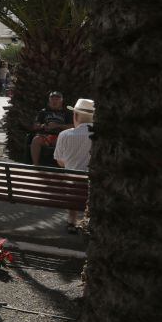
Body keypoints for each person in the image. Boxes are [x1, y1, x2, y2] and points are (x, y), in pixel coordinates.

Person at [54, 98, 94, 233]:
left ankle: (72, 220)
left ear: (76, 116)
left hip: (72, 187)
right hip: (93, 185)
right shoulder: (101, 135)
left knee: (72, 178)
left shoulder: (64, 135)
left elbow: (60, 161)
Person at [29, 91, 74, 165]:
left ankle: (64, 166)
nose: (54, 101)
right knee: (36, 140)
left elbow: (73, 126)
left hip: (60, 136)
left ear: (61, 101)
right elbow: (35, 125)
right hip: (45, 136)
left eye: (57, 99)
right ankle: (35, 165)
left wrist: (58, 126)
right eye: (52, 99)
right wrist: (44, 126)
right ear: (49, 100)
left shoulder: (66, 112)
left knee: (65, 142)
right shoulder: (43, 112)